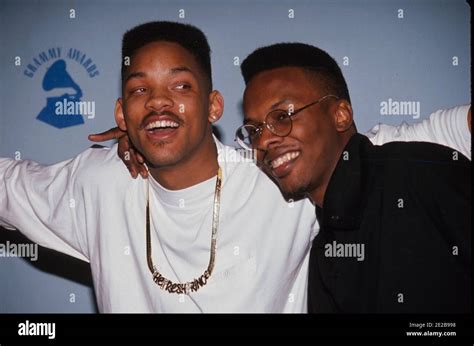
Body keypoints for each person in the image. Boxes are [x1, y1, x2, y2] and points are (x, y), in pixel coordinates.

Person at [0, 21, 319, 313]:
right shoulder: (99, 183)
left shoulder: (278, 177)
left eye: (180, 86)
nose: (157, 102)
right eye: (140, 90)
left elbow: (358, 152)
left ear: (213, 107)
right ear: (122, 114)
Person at [236, 43, 470, 312]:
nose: (263, 140)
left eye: (281, 116)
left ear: (341, 115)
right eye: (254, 131)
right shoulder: (325, 254)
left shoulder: (421, 175)